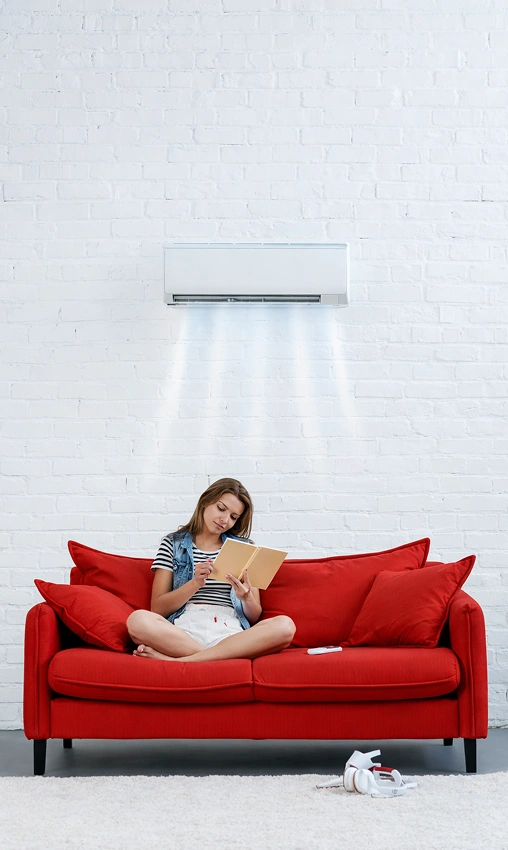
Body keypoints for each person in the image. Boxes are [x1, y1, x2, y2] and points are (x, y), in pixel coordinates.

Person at [126, 478, 295, 662]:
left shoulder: (245, 548)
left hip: (229, 631)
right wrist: (194, 584)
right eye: (221, 508)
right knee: (137, 620)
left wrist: (246, 597)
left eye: (233, 517)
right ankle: (217, 659)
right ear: (206, 501)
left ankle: (179, 661)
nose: (225, 520)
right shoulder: (172, 544)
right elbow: (157, 608)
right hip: (184, 631)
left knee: (285, 626)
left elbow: (254, 617)